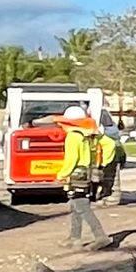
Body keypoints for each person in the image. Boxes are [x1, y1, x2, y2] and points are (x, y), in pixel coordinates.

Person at [55, 106, 111, 249]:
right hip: (89, 173)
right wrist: (102, 163)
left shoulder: (73, 136)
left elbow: (71, 159)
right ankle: (74, 238)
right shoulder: (92, 134)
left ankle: (101, 237)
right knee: (75, 204)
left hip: (77, 174)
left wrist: (62, 174)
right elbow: (110, 144)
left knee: (81, 206)